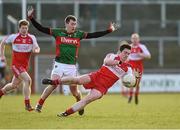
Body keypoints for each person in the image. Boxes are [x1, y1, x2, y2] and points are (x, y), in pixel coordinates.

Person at [27, 6, 119, 114]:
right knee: (53, 84)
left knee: (74, 91)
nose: (74, 26)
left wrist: (109, 30)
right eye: (72, 24)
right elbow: (41, 28)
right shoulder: (58, 32)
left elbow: (93, 35)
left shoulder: (78, 34)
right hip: (59, 64)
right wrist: (31, 18)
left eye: (75, 24)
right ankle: (39, 104)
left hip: (71, 66)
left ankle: (79, 102)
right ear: (66, 24)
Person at [42, 42, 140, 117]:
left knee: (87, 99)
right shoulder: (112, 56)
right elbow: (106, 61)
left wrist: (135, 79)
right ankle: (54, 81)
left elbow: (130, 83)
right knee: (77, 80)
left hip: (102, 87)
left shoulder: (128, 68)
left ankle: (65, 113)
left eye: (128, 53)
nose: (126, 55)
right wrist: (118, 63)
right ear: (120, 51)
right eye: (125, 52)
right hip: (95, 76)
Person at [0, 19, 40, 111]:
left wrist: (36, 50)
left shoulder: (32, 38)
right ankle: (27, 105)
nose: (24, 30)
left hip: (24, 66)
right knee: (28, 80)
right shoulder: (13, 37)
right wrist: (2, 56)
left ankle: (1, 92)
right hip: (16, 65)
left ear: (28, 28)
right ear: (19, 28)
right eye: (22, 28)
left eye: (26, 28)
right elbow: (2, 43)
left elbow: (37, 47)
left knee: (14, 85)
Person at [128, 33, 151, 104]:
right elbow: (124, 56)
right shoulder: (128, 47)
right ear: (131, 39)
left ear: (138, 39)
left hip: (138, 66)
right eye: (133, 38)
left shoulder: (142, 46)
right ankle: (130, 96)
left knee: (137, 83)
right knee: (131, 82)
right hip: (130, 66)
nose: (134, 40)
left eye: (136, 38)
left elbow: (149, 56)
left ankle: (136, 96)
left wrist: (140, 54)